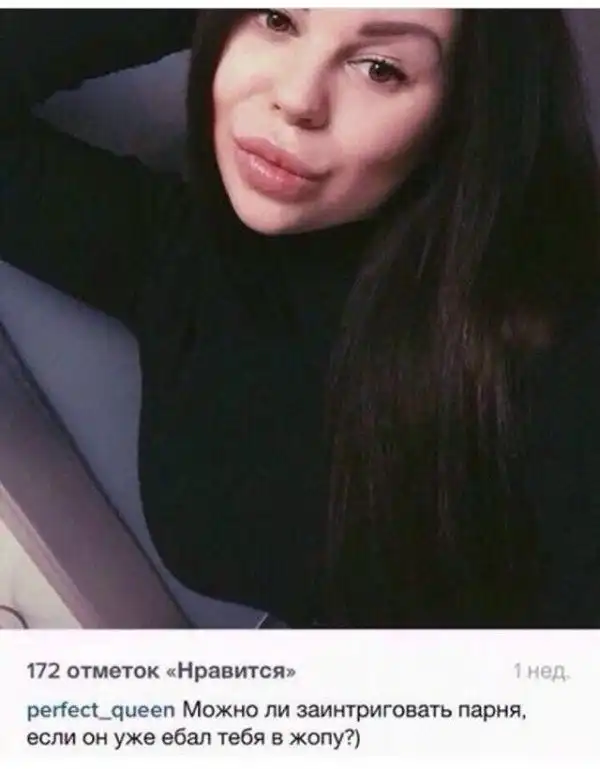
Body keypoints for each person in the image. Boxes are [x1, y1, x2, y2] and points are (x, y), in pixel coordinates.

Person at [1, 9, 599, 629]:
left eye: (381, 68)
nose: (296, 98)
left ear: (468, 110)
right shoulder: (183, 257)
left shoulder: (560, 337)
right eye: (277, 21)